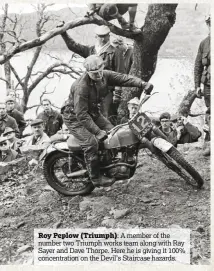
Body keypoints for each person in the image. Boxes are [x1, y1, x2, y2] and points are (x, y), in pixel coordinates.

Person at [62, 55, 153, 187]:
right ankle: (95, 177)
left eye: (100, 70)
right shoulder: (81, 87)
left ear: (102, 67)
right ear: (87, 72)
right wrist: (97, 131)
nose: (98, 74)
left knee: (113, 133)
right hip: (74, 118)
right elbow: (81, 114)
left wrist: (142, 83)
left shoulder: (105, 75)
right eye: (94, 73)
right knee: (91, 143)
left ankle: (110, 165)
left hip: (92, 112)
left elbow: (123, 78)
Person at [60, 25, 125, 119]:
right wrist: (63, 33)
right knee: (87, 115)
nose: (103, 39)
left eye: (105, 36)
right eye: (100, 36)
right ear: (96, 37)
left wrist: (117, 94)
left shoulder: (115, 52)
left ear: (109, 36)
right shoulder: (91, 50)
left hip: (106, 91)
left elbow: (120, 74)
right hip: (90, 90)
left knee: (105, 117)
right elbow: (73, 46)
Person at [194, 14, 211, 156]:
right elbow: (198, 66)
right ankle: (209, 143)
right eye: (210, 23)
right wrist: (197, 85)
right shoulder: (204, 43)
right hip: (209, 85)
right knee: (210, 112)